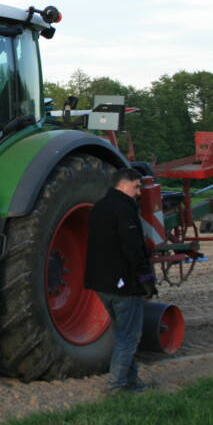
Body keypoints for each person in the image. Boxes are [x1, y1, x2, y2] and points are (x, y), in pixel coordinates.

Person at [84, 167, 158, 393]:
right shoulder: (124, 210)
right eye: (136, 187)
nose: (138, 193)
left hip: (101, 284)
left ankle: (131, 382)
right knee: (130, 337)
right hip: (124, 285)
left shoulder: (99, 207)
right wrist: (147, 279)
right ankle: (115, 386)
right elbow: (134, 249)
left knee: (122, 334)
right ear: (124, 184)